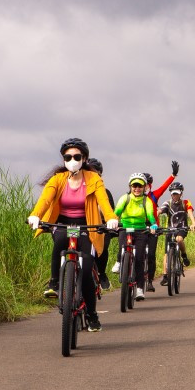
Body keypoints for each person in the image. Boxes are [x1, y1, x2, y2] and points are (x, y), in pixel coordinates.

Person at [27, 138, 119, 332]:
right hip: (62, 222)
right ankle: (54, 283)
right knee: (60, 241)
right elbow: (45, 199)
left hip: (87, 224)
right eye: (68, 157)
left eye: (77, 157)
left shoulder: (93, 178)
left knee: (86, 270)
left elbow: (103, 201)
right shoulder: (58, 179)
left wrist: (111, 218)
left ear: (84, 158)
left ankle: (92, 315)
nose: (72, 160)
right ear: (64, 159)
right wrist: (35, 215)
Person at [113, 173, 158, 301]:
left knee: (139, 259)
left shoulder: (146, 201)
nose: (137, 188)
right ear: (130, 186)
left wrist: (153, 224)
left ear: (144, 187)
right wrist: (113, 220)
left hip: (140, 230)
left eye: (140, 186)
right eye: (134, 186)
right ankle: (119, 261)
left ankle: (139, 288)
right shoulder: (125, 198)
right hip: (125, 227)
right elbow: (117, 212)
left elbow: (150, 215)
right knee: (122, 246)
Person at [140, 161, 179, 291]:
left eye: (147, 184)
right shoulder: (135, 196)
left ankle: (150, 281)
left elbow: (164, 186)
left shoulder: (154, 195)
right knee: (138, 254)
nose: (145, 187)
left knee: (151, 255)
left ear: (150, 185)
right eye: (143, 184)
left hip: (153, 227)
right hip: (139, 226)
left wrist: (173, 175)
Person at [85, 158, 116, 291]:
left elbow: (110, 212)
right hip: (83, 226)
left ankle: (102, 273)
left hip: (101, 227)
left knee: (102, 249)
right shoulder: (79, 191)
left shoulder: (105, 192)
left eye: (95, 172)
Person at [159, 182, 195, 287]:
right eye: (173, 193)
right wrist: (154, 222)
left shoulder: (186, 202)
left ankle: (184, 256)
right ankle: (165, 276)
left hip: (182, 228)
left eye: (177, 193)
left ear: (181, 193)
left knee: (179, 239)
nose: (175, 195)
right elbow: (159, 211)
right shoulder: (167, 203)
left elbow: (190, 212)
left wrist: (193, 223)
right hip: (170, 229)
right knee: (166, 253)